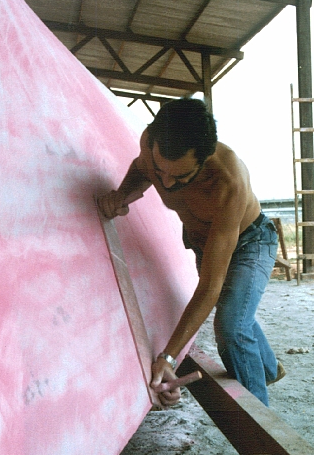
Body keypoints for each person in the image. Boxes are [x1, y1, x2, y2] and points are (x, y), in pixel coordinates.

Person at [98, 97, 284, 409]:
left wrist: (168, 357)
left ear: (205, 159)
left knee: (230, 325)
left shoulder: (229, 181)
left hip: (249, 239)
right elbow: (142, 169)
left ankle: (262, 435)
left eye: (181, 177)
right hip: (201, 238)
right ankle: (266, 367)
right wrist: (122, 194)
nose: (167, 183)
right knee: (235, 308)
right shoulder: (152, 143)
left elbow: (211, 286)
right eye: (162, 171)